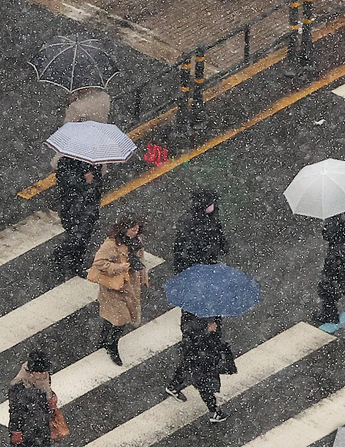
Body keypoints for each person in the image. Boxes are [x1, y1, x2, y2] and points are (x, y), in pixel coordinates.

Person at [87, 215, 148, 365]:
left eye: (137, 229)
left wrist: (143, 277)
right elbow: (99, 262)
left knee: (113, 316)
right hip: (114, 287)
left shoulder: (136, 241)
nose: (135, 232)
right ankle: (112, 345)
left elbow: (141, 260)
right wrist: (118, 268)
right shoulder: (111, 244)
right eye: (132, 229)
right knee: (122, 319)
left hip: (130, 285)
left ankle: (103, 339)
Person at [2, 349, 54, 447]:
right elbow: (15, 412)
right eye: (39, 373)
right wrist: (16, 433)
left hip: (41, 425)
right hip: (26, 429)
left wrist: (51, 398)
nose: (42, 375)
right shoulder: (19, 386)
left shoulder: (44, 378)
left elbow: (46, 393)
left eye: (44, 372)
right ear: (31, 372)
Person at [163, 313, 231, 422]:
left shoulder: (193, 308)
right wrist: (208, 329)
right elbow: (194, 332)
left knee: (189, 366)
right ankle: (213, 411)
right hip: (202, 349)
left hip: (196, 347)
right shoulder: (203, 315)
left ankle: (174, 386)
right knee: (204, 380)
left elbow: (188, 328)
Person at [51, 155, 101, 278]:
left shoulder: (95, 160)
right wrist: (83, 179)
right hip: (72, 207)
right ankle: (58, 255)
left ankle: (76, 264)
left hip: (90, 205)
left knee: (85, 238)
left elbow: (98, 181)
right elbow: (64, 182)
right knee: (76, 237)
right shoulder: (65, 161)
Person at [172, 188, 229, 273]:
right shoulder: (190, 221)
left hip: (203, 267)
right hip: (197, 267)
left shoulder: (213, 221)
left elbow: (222, 244)